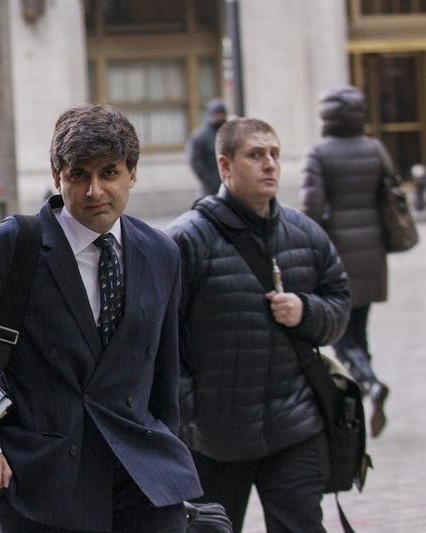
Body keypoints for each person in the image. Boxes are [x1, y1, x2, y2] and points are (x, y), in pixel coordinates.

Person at [0, 104, 202, 532]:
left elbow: (163, 373)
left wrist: (170, 456)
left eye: (109, 173)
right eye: (79, 175)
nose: (94, 191)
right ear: (57, 177)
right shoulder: (9, 248)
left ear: (132, 173)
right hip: (46, 477)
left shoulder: (161, 253)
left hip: (142, 474)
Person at [166, 118, 350, 532]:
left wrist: (306, 311)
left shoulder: (306, 234)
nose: (269, 164)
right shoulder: (186, 241)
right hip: (214, 437)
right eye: (255, 155)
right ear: (224, 166)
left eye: (274, 154)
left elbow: (340, 305)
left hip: (295, 427)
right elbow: (160, 336)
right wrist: (191, 407)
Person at [300, 86, 391, 438]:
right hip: (373, 252)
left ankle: (367, 382)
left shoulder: (319, 154)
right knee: (360, 328)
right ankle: (367, 383)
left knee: (340, 334)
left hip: (337, 254)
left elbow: (311, 210)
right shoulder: (375, 148)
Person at [187, 98, 228, 196]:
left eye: (221, 113)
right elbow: (196, 162)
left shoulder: (229, 133)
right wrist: (210, 181)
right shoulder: (200, 137)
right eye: (216, 114)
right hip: (211, 188)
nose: (219, 117)